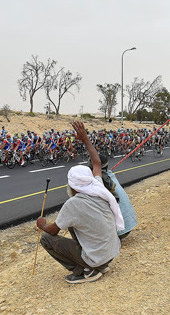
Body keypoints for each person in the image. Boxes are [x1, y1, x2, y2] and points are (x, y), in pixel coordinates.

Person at [36, 121, 123, 284]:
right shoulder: (97, 185)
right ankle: (99, 265)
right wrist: (85, 139)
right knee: (71, 223)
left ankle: (85, 271)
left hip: (97, 258)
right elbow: (97, 163)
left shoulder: (73, 204)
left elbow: (53, 231)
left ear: (72, 185)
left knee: (46, 239)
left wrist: (42, 225)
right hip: (110, 253)